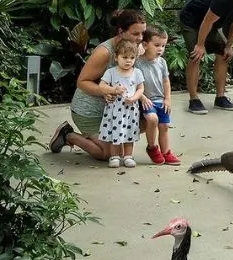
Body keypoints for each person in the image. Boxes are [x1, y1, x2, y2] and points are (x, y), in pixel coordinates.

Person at [49, 9, 147, 161]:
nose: (140, 38)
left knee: (150, 119)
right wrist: (104, 91)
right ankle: (68, 135)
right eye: (135, 34)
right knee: (108, 155)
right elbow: (82, 82)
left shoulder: (136, 47)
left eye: (143, 34)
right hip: (89, 111)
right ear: (121, 31)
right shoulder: (105, 52)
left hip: (116, 110)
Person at [136, 25, 181, 166]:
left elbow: (166, 81)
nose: (160, 49)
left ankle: (166, 152)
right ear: (145, 44)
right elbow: (133, 83)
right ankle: (152, 147)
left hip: (161, 100)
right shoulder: (137, 62)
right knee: (152, 118)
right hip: (146, 100)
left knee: (165, 126)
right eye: (156, 45)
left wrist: (167, 99)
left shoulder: (162, 62)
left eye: (163, 45)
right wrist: (142, 97)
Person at [98, 40, 145, 168]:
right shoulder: (111, 72)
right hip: (115, 109)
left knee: (129, 131)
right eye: (124, 57)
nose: (128, 61)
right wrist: (112, 90)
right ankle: (115, 156)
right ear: (116, 58)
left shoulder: (137, 73)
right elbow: (102, 85)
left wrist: (134, 97)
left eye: (132, 58)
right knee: (115, 131)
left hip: (130, 109)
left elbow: (140, 88)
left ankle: (128, 156)